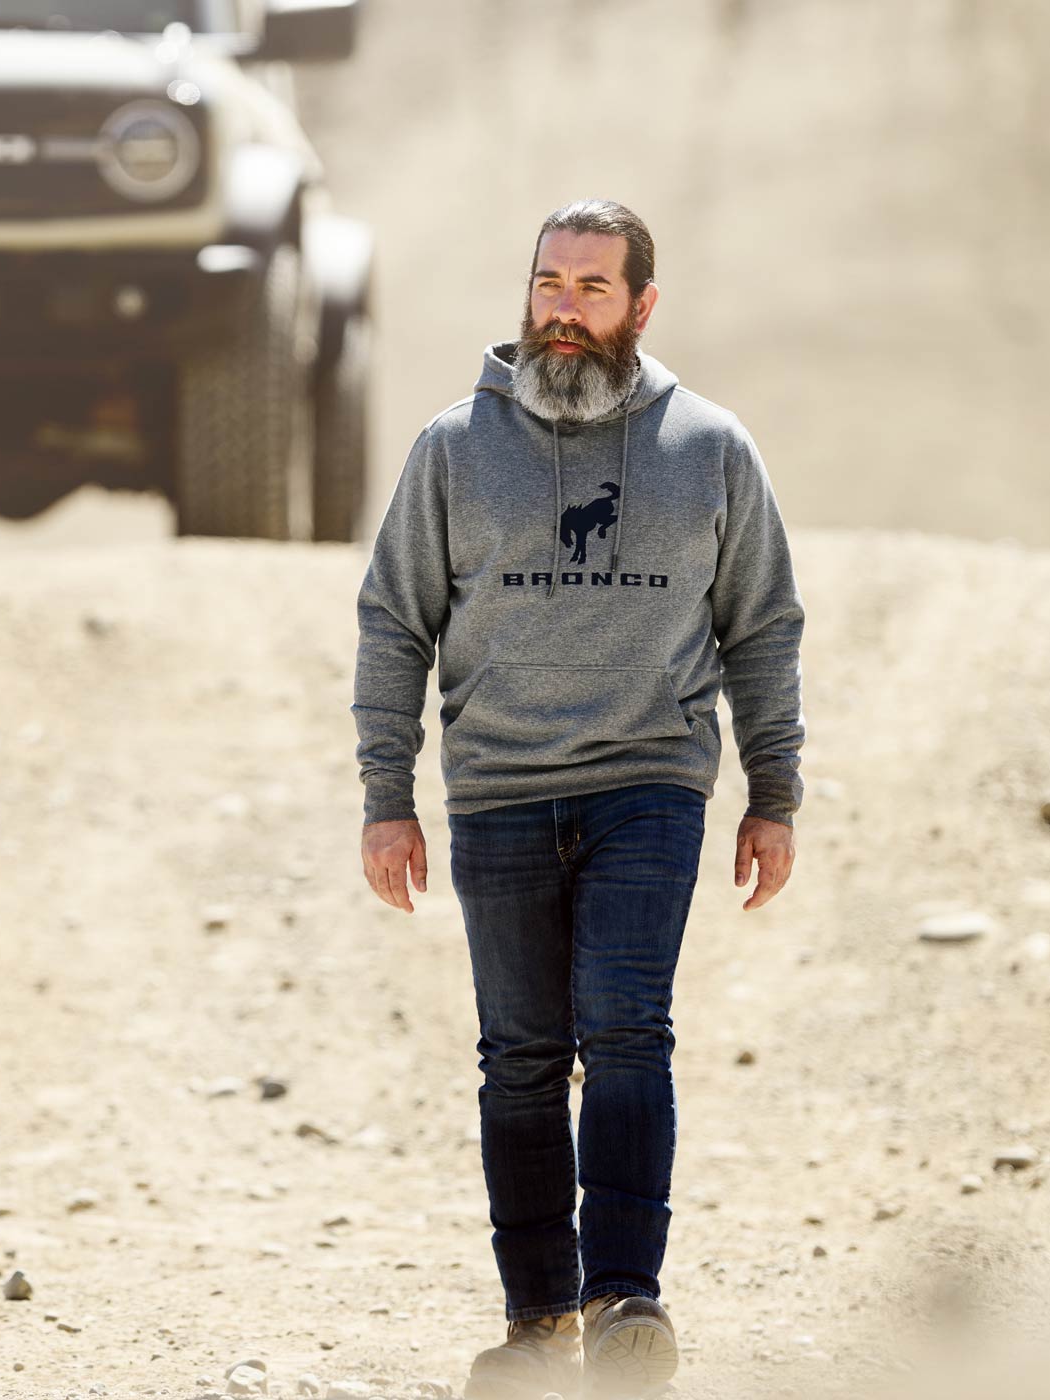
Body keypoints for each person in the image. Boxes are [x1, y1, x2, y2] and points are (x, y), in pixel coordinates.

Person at [351, 198, 806, 1400]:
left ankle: (622, 1300)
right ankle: (536, 1316)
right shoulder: (454, 447)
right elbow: (393, 622)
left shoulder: (708, 448)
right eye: (548, 282)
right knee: (517, 1056)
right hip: (497, 787)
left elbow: (761, 625)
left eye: (591, 287)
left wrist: (773, 790)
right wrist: (385, 793)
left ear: (640, 305)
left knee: (624, 1027)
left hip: (647, 780)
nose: (562, 309)